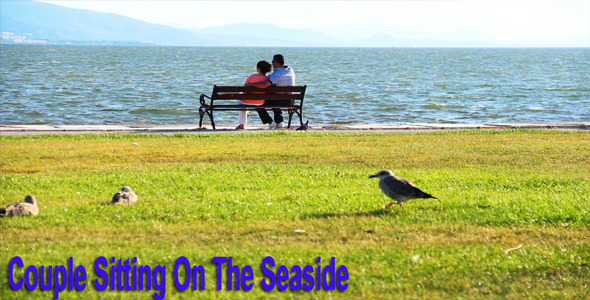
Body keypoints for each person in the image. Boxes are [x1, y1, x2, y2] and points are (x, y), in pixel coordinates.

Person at [246, 54, 296, 129]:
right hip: (290, 101)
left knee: (258, 104)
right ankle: (279, 121)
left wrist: (252, 85)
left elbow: (264, 85)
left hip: (279, 100)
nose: (272, 64)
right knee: (274, 97)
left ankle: (269, 121)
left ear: (276, 63)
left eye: (272, 62)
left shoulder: (276, 75)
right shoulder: (290, 70)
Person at [236, 60, 272, 130]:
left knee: (242, 104)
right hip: (260, 102)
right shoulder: (268, 79)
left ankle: (241, 125)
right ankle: (247, 111)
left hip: (247, 101)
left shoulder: (252, 77)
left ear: (258, 69)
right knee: (244, 105)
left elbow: (244, 89)